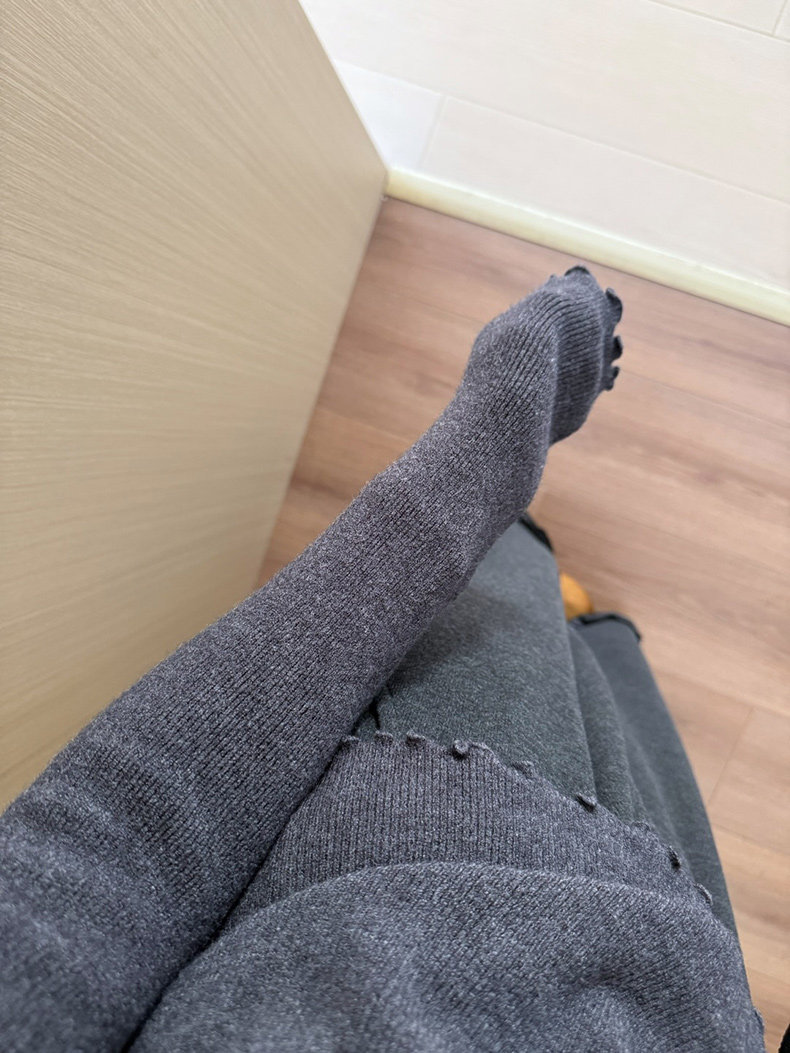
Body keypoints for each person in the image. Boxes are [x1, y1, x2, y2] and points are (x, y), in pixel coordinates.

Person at [0, 267, 764, 1051]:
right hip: (690, 987)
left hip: (423, 865)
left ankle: (500, 523)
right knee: (587, 685)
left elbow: (119, 850)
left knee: (501, 615)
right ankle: (534, 559)